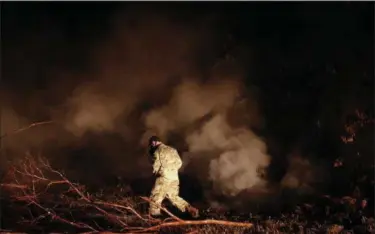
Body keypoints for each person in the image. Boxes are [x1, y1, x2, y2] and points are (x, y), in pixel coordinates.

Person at [147, 135, 199, 218]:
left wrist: (157, 172)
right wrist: (172, 170)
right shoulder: (172, 150)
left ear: (154, 142)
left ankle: (154, 218)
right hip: (174, 178)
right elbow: (179, 163)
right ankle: (189, 208)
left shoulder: (158, 150)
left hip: (164, 177)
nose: (152, 146)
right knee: (173, 197)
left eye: (151, 144)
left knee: (155, 196)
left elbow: (156, 167)